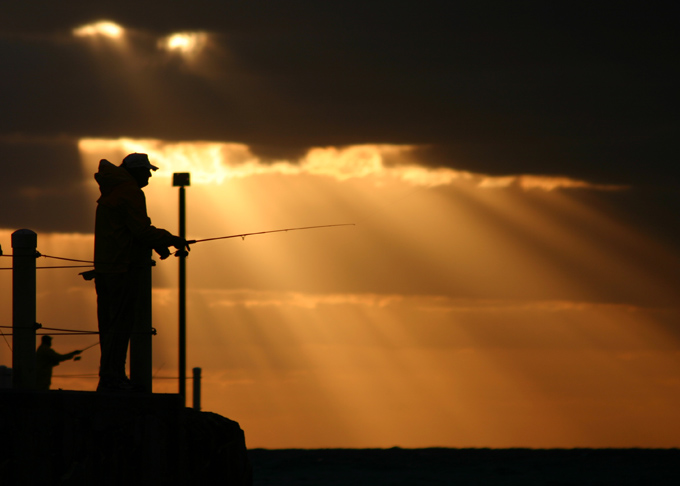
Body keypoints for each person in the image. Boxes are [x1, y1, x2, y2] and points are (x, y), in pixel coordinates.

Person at [93, 153, 188, 392]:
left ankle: (111, 377)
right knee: (120, 326)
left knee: (109, 326)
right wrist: (172, 239)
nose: (149, 175)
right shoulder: (131, 191)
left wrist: (157, 244)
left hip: (105, 266)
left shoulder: (112, 188)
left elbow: (126, 229)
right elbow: (141, 230)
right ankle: (113, 379)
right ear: (135, 171)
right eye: (146, 171)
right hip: (122, 268)